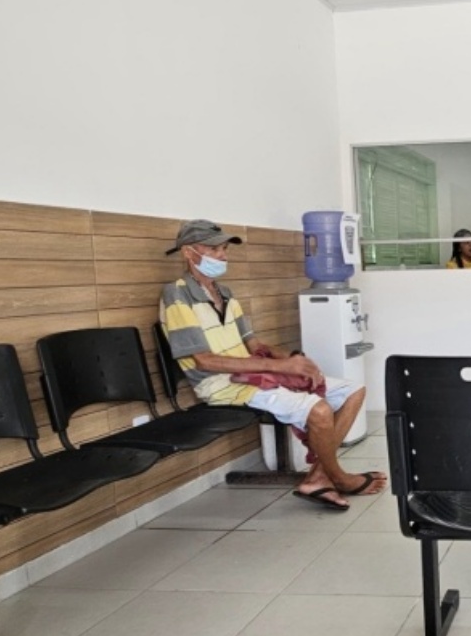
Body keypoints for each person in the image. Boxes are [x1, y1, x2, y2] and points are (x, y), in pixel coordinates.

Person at [159, 219, 385, 511]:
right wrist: (281, 368)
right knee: (319, 409)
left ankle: (319, 476)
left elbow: (254, 345)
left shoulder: (225, 294)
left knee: (354, 391)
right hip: (222, 385)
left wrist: (296, 361)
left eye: (224, 249)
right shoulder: (177, 295)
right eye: (213, 249)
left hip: (251, 374)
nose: (222, 256)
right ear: (188, 253)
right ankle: (340, 477)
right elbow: (204, 360)